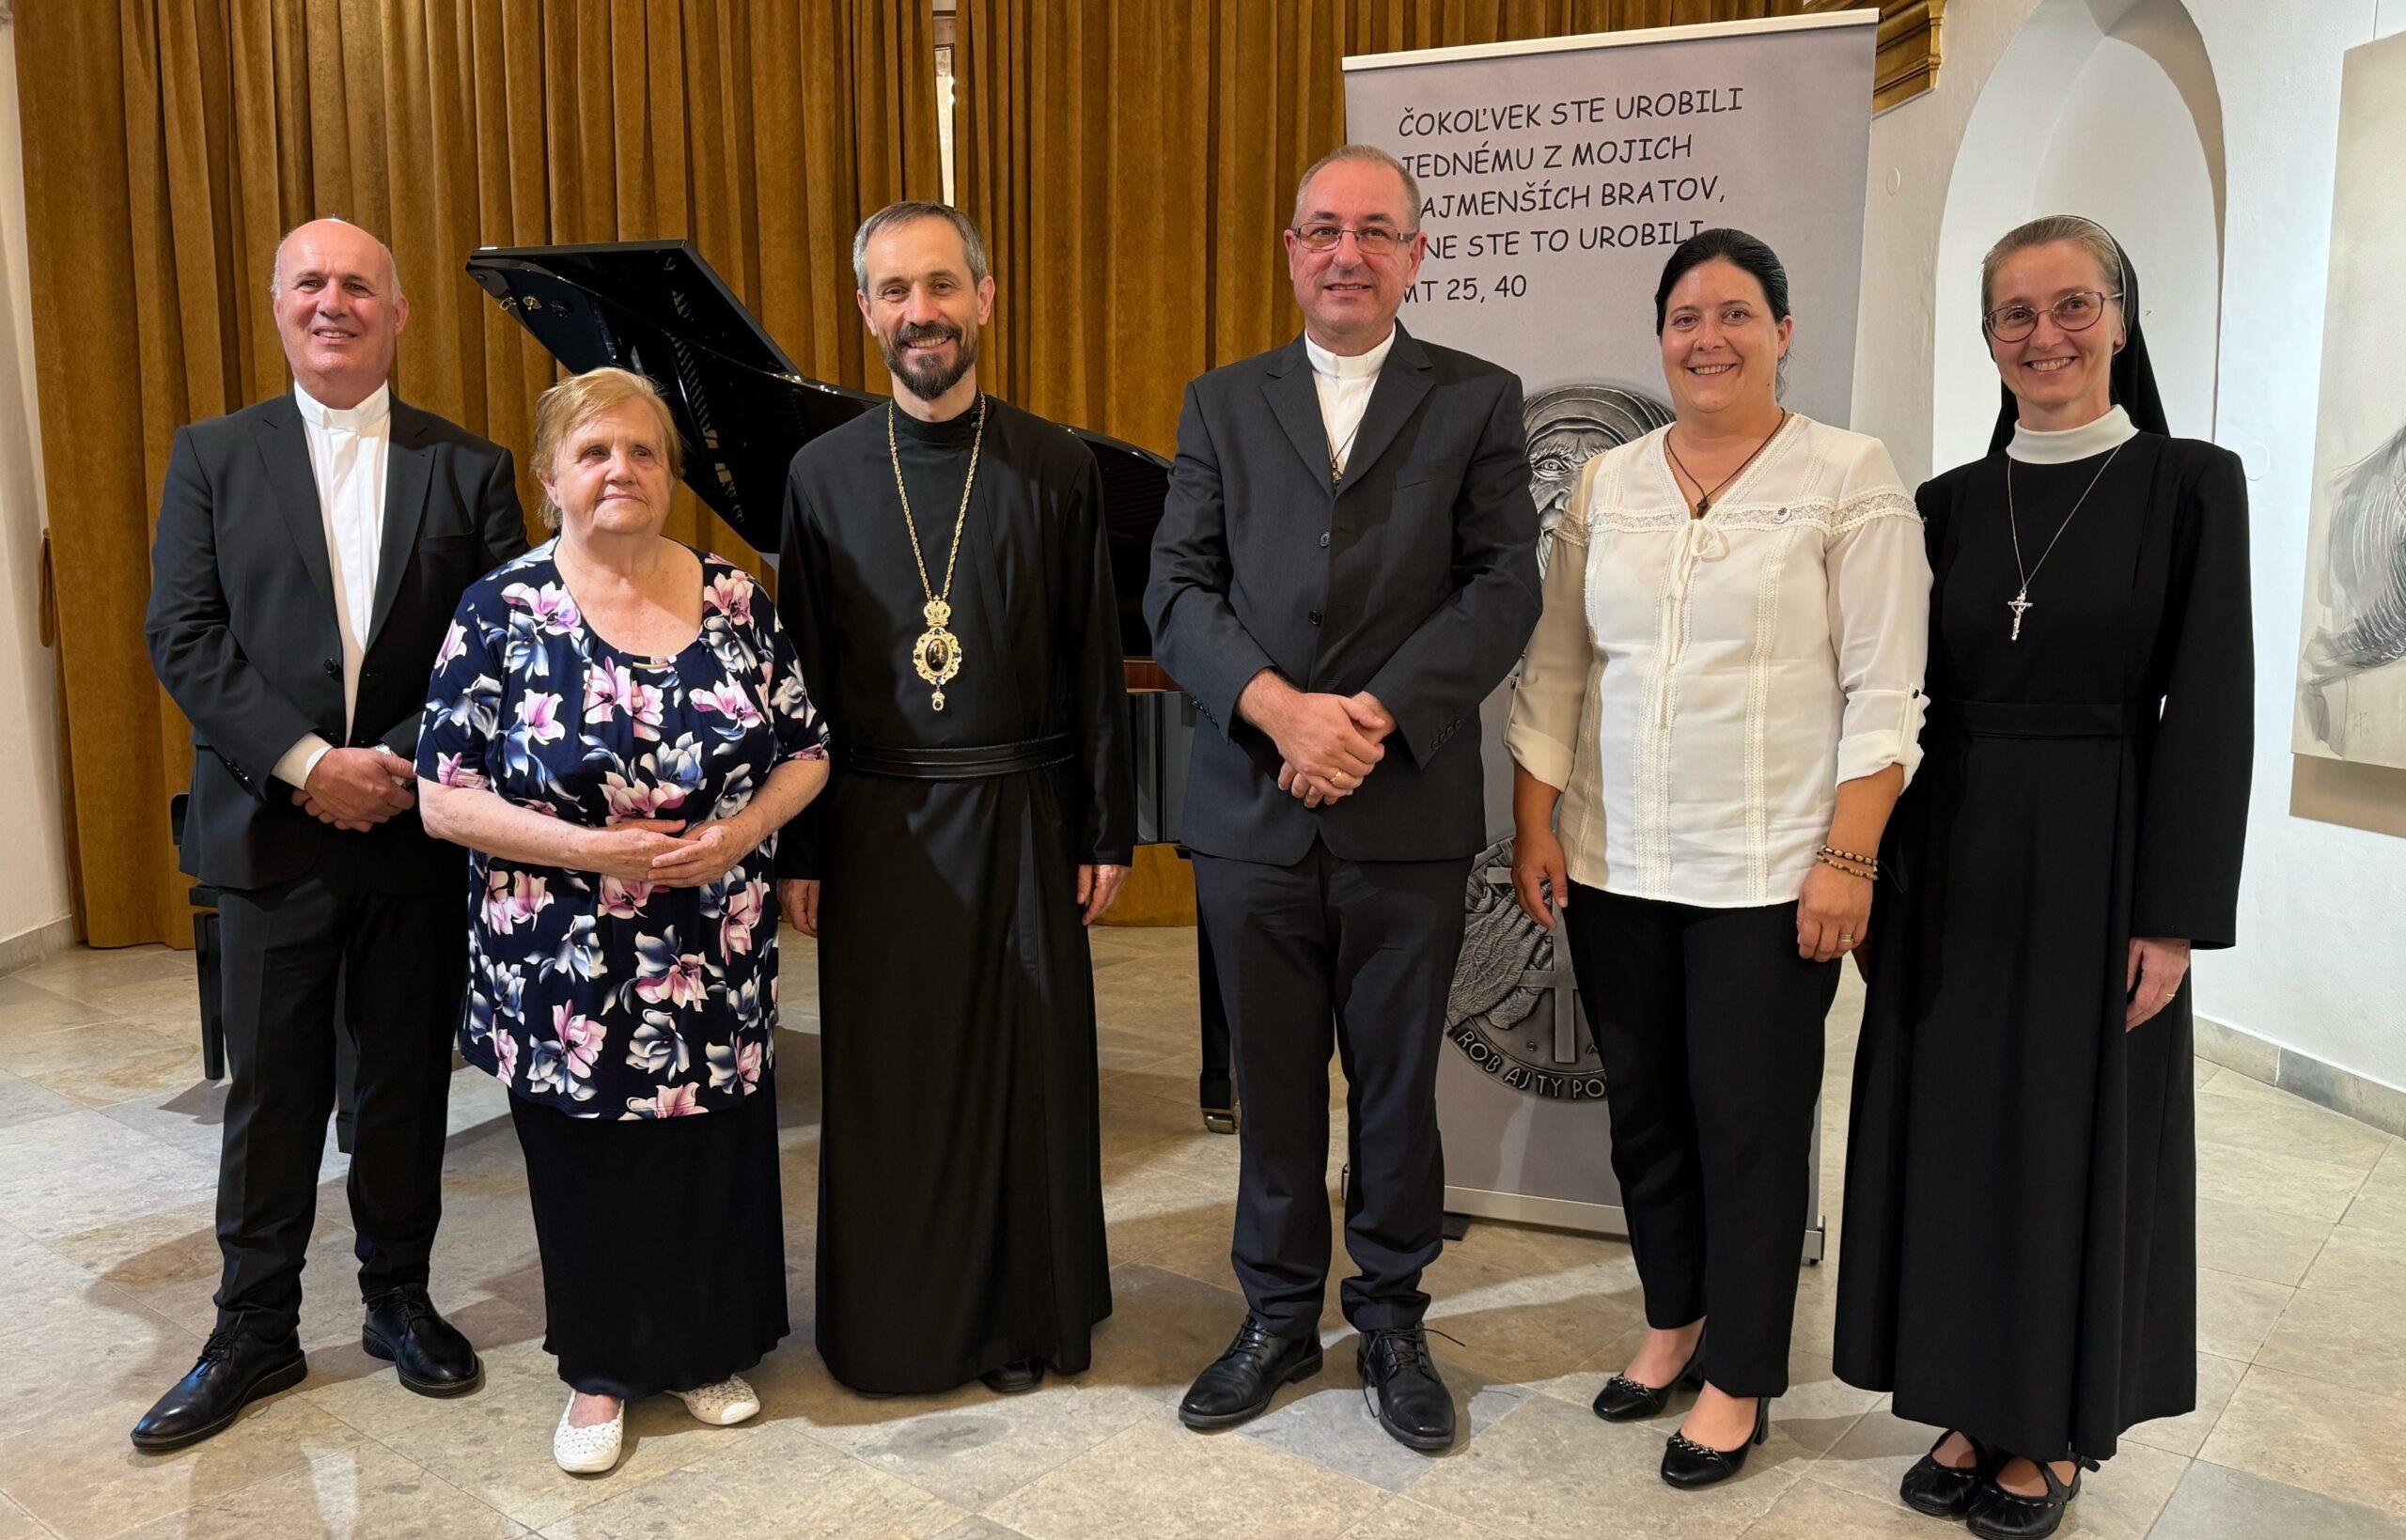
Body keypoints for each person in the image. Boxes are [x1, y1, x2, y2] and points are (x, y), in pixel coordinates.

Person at [1835, 216, 2252, 1540]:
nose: (2045, 336)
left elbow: (2216, 704)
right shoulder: (1949, 503)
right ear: (1988, 338)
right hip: (1952, 850)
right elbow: (1900, 697)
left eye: (2073, 306)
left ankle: (2053, 1423)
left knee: (2069, 1139)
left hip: (2104, 849)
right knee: (1956, 1135)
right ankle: (1966, 1395)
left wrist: (2174, 914)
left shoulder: (2192, 482)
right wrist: (1873, 866)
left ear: (2122, 321)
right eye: (2015, 314)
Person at [1508, 227, 1929, 1489]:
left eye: (1736, 313)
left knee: (1747, 1123)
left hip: (1768, 870)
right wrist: (1536, 814)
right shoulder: (1610, 482)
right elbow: (1562, 662)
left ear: (1783, 331)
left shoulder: (1849, 476)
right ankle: (1673, 1315)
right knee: (1644, 1114)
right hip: (1615, 855)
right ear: (1662, 337)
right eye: (1687, 317)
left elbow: (1885, 686)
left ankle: (1741, 1368)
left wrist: (1848, 855)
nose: (1709, 337)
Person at [1147, 144, 1540, 1454]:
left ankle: (1389, 1316)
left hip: (1403, 806)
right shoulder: (1220, 401)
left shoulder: (1479, 398)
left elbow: (1502, 586)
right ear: (1291, 248)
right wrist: (1278, 708)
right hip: (1252, 812)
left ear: (1417, 254)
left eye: (1377, 230)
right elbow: (1177, 590)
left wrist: (1364, 718)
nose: (1347, 253)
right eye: (1324, 228)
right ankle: (1272, 1317)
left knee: (1392, 1091)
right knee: (1271, 1090)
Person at [137, 219, 526, 1452]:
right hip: (271, 822)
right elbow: (184, 633)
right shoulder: (212, 457)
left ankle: (398, 1297)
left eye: (359, 284)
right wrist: (311, 765)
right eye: (310, 281)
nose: (333, 300)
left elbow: (506, 637)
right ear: (276, 306)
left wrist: (392, 765)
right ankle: (252, 1325)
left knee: (406, 1074)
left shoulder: (471, 467)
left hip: (414, 827)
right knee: (273, 1089)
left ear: (400, 314)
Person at [416, 366, 830, 1472]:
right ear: (551, 474)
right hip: (561, 950)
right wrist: (596, 849)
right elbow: (442, 794)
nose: (620, 471)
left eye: (643, 452)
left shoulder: (737, 598)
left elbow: (807, 749)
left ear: (669, 474)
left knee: (709, 1148)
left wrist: (745, 833)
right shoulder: (500, 608)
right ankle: (601, 1370)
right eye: (595, 451)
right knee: (590, 1160)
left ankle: (703, 1348)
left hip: (715, 943)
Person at [776, 201, 1135, 1397]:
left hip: (1025, 810)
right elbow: (807, 681)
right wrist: (802, 849)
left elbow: (1092, 657)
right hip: (877, 826)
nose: (918, 311)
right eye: (893, 291)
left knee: (1025, 1080)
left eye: (940, 285)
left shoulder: (1055, 465)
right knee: (892, 1082)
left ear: (985, 297)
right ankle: (901, 1326)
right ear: (865, 311)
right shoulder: (820, 475)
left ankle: (1024, 1320)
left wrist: (1105, 824)